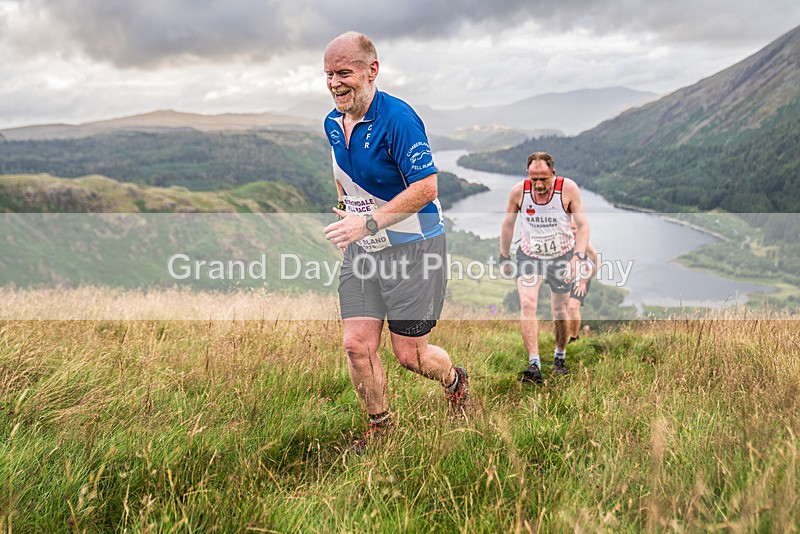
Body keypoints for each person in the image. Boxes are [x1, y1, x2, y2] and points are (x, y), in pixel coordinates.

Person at [321, 32, 471, 453]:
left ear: (372, 70)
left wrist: (366, 223)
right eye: (328, 75)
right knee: (356, 346)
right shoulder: (333, 122)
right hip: (365, 251)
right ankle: (381, 428)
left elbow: (426, 188)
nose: (334, 83)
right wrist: (346, 213)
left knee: (411, 356)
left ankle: (456, 381)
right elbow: (342, 176)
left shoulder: (399, 119)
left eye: (344, 73)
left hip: (415, 248)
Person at [499, 152, 589, 384]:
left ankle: (560, 357)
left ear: (553, 174)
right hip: (530, 256)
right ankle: (534, 364)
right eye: (533, 179)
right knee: (528, 303)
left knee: (560, 310)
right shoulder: (519, 191)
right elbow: (508, 223)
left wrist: (577, 257)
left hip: (562, 257)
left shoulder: (567, 189)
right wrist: (504, 255)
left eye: (543, 179)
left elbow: (583, 225)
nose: (538, 184)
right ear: (528, 175)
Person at [567, 218, 598, 343]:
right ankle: (563, 336)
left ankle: (574, 338)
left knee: (573, 307)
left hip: (580, 279)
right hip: (564, 278)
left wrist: (584, 281)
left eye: (574, 228)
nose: (572, 231)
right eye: (569, 228)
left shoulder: (585, 244)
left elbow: (598, 262)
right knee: (562, 310)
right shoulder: (562, 242)